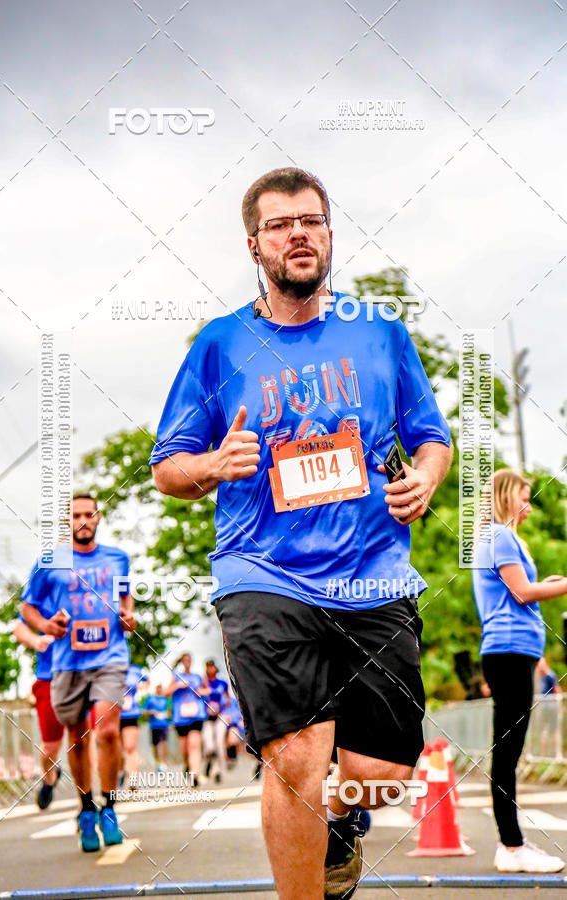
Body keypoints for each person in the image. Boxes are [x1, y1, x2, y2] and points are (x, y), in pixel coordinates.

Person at [150, 167, 453, 900]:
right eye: (281, 224)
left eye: (311, 221)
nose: (298, 235)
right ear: (254, 244)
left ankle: (342, 825)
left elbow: (431, 436)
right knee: (296, 757)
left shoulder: (379, 332)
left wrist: (426, 479)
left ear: (328, 233)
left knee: (382, 774)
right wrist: (215, 463)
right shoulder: (221, 345)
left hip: (375, 573)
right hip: (264, 574)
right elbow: (168, 468)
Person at [21, 492, 135, 853]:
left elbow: (125, 598)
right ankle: (86, 809)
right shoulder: (50, 561)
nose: (83, 520)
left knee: (108, 731)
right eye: (76, 516)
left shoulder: (117, 559)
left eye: (89, 514)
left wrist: (129, 616)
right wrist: (46, 626)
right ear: (68, 522)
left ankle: (110, 808)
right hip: (67, 662)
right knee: (78, 738)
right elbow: (27, 609)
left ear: (98, 518)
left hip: (110, 656)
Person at [473, 468, 567, 874]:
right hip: (509, 653)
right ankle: (511, 846)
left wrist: (542, 582)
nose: (529, 507)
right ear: (508, 496)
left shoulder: (500, 539)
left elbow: (521, 590)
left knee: (508, 752)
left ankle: (512, 844)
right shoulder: (500, 536)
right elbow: (521, 592)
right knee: (507, 754)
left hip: (515, 653)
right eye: (525, 497)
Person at [13, 616, 63, 808]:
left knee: (84, 739)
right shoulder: (41, 591)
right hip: (49, 677)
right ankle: (49, 780)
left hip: (83, 673)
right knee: (49, 749)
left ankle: (86, 808)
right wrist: (36, 640)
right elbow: (19, 628)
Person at [164, 653, 208, 787]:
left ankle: (195, 775)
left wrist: (200, 691)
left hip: (196, 715)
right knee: (185, 749)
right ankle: (187, 764)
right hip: (180, 718)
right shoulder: (176, 676)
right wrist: (178, 686)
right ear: (182, 662)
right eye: (185, 660)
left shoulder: (198, 677)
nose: (187, 662)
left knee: (194, 746)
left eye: (189, 660)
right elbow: (165, 693)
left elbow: (207, 690)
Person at [119, 664, 149, 786]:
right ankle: (120, 772)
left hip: (131, 713)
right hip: (113, 714)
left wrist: (141, 687)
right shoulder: (109, 666)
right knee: (118, 750)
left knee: (130, 747)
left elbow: (147, 681)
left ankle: (133, 779)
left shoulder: (135, 670)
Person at [201, 659, 230, 783]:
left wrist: (224, 703)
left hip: (220, 716)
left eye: (212, 667)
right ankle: (208, 762)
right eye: (208, 667)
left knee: (219, 744)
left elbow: (227, 698)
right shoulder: (203, 683)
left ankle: (218, 771)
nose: (210, 669)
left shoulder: (222, 683)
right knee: (209, 746)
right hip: (207, 718)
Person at [142, 684, 171, 771]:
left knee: (164, 743)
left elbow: (170, 712)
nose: (159, 689)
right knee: (155, 745)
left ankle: (164, 764)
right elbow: (143, 711)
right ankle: (157, 762)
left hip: (164, 725)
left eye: (161, 688)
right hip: (154, 725)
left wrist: (167, 715)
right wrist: (151, 711)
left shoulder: (166, 699)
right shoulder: (150, 699)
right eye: (158, 688)